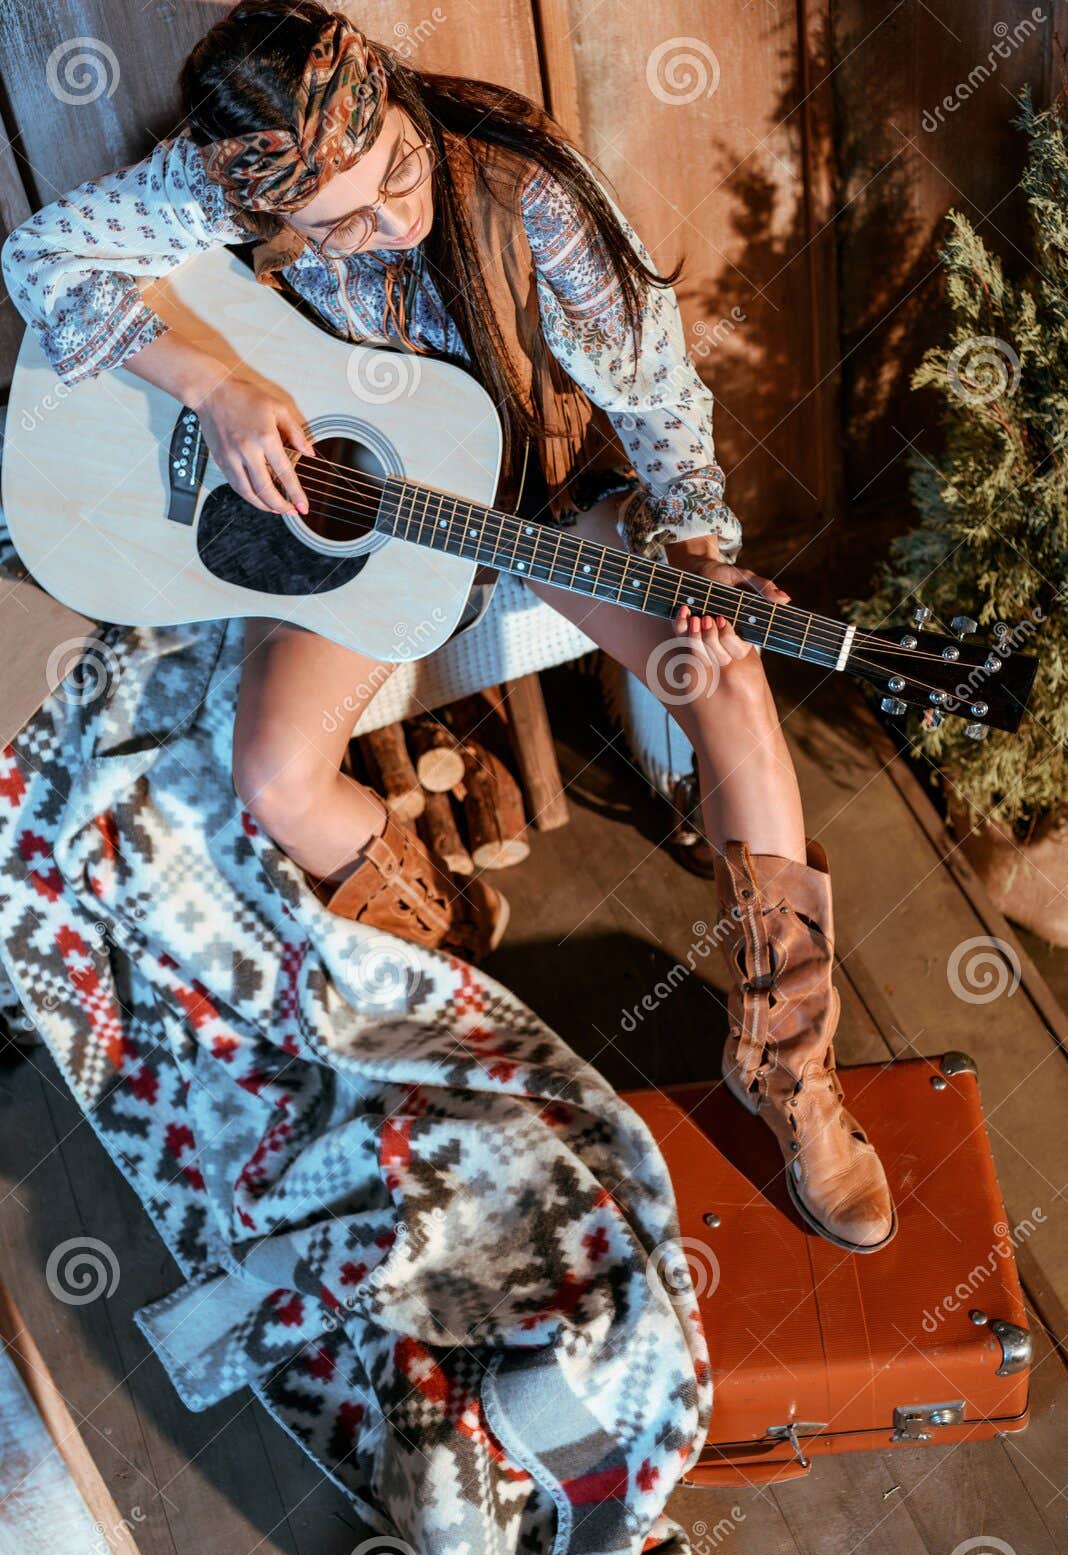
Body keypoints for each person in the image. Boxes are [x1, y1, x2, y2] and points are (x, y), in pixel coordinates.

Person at [0, 1, 894, 1252]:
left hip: (538, 499)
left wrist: (697, 549)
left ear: (400, 102)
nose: (392, 223)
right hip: (371, 532)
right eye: (341, 224)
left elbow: (650, 382)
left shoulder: (525, 189)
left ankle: (793, 1065)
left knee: (728, 683)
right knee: (269, 775)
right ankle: (446, 941)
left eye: (400, 176)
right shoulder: (226, 181)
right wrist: (222, 383)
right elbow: (41, 261)